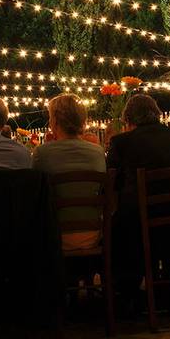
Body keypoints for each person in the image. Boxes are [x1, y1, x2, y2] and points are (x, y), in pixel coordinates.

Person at [106, 94, 170, 305]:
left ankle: (127, 293)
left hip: (140, 224)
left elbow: (111, 183)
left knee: (114, 229)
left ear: (128, 118)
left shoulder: (121, 142)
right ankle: (166, 289)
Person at [32, 94, 106, 251]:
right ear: (82, 120)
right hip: (94, 233)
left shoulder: (42, 153)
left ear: (55, 121)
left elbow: (35, 196)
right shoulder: (98, 152)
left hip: (55, 237)